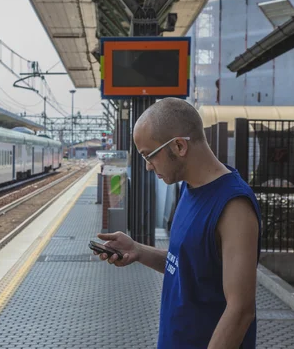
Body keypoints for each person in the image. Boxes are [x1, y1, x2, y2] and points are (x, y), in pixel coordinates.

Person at [94, 98, 261, 349]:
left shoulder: (233, 206)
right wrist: (137, 250)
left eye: (149, 156)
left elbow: (240, 310)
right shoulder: (188, 189)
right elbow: (187, 266)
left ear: (180, 146)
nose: (149, 167)